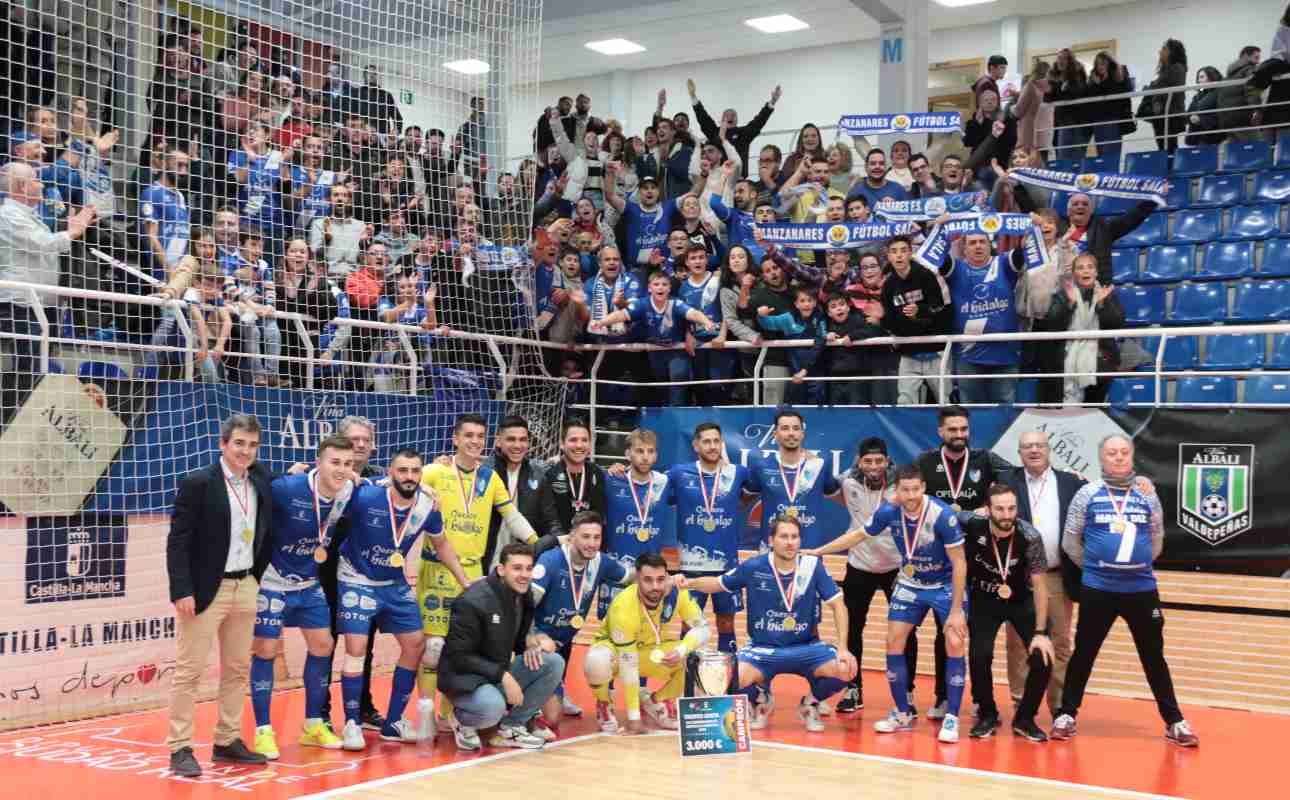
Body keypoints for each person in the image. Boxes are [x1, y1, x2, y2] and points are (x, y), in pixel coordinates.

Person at [1052, 435, 1198, 747]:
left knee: (1153, 656)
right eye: (1111, 453)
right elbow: (1070, 542)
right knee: (1084, 654)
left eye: (1123, 452)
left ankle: (1175, 721)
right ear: (1101, 458)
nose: (1118, 458)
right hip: (1098, 589)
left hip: (1141, 589)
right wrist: (1095, 565)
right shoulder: (1087, 493)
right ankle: (1067, 714)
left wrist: (1137, 564)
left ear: (1132, 456)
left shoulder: (1147, 494)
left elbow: (1157, 540)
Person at [334, 450, 470, 751]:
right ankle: (352, 723)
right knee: (356, 649)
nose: (409, 476)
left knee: (416, 643)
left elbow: (442, 544)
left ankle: (394, 722)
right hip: (357, 577)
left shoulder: (427, 505)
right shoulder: (367, 495)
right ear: (390, 472)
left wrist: (465, 581)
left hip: (393, 582)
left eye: (415, 471)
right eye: (403, 470)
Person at [417, 413, 541, 736]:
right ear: (455, 438)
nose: (474, 441)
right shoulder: (434, 471)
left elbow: (512, 517)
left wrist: (540, 545)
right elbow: (399, 484)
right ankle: (428, 714)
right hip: (435, 569)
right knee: (432, 648)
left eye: (480, 435)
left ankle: (453, 714)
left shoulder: (490, 478)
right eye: (468, 435)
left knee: (463, 646)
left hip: (473, 573)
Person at [165, 414, 273, 777]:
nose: (245, 451)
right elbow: (178, 541)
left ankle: (226, 740)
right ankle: (180, 747)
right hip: (205, 590)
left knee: (238, 669)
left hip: (246, 586)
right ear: (223, 444)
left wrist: (255, 578)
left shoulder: (261, 479)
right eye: (239, 443)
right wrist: (182, 590)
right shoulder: (198, 483)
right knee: (189, 671)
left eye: (252, 445)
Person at [678, 515, 857, 732]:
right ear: (771, 540)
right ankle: (761, 698)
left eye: (794, 537)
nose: (790, 542)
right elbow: (717, 583)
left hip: (806, 648)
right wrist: (688, 582)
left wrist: (844, 648)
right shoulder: (754, 566)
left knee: (847, 668)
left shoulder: (812, 566)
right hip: (763, 650)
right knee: (728, 677)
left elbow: (839, 605)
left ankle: (810, 703)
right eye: (783, 537)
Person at [250, 436, 355, 758]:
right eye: (334, 462)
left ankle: (313, 725)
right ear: (319, 462)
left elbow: (388, 489)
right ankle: (263, 731)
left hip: (309, 583)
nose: (341, 470)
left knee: (323, 645)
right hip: (272, 582)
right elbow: (253, 491)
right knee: (266, 650)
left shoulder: (349, 489)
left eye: (347, 464)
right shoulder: (289, 488)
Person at [805, 438, 919, 714]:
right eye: (868, 461)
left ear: (888, 460)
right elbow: (825, 486)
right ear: (859, 461)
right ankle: (853, 689)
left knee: (906, 631)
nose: (874, 466)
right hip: (859, 565)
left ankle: (907, 692)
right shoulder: (848, 481)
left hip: (897, 567)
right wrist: (809, 460)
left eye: (879, 460)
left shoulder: (900, 484)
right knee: (853, 629)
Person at [863, 464, 969, 743]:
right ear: (896, 490)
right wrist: (820, 550)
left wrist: (957, 611)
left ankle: (952, 717)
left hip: (945, 584)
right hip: (911, 583)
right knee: (893, 641)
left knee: (954, 641)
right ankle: (902, 712)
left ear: (923, 488)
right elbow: (860, 534)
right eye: (905, 490)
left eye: (916, 489)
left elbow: (960, 563)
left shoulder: (942, 516)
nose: (911, 495)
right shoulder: (889, 511)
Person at [438, 542, 564, 750]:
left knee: (552, 662)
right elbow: (459, 656)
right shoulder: (473, 601)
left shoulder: (524, 594)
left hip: (495, 672)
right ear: (501, 570)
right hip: (463, 679)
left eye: (528, 568)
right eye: (517, 568)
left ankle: (511, 727)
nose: (524, 574)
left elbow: (519, 639)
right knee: (491, 707)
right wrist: (503, 676)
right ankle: (462, 720)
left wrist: (533, 643)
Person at [958, 484, 1055, 741]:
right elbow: (946, 512)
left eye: (1011, 508)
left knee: (1043, 657)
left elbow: (1041, 587)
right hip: (983, 599)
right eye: (999, 509)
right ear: (988, 509)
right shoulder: (972, 523)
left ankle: (1025, 718)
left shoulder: (1030, 536)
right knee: (979, 656)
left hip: (1020, 599)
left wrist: (1041, 632)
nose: (1006, 514)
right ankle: (987, 713)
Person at [1001, 431, 1085, 715]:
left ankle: (1060, 708)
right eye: (1027, 446)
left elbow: (1106, 489)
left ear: (1049, 450)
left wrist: (1141, 481)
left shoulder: (1072, 482)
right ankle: (1021, 707)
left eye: (1039, 445)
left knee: (1060, 643)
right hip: (1019, 578)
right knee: (1017, 644)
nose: (1033, 450)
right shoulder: (1006, 482)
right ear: (1020, 452)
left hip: (1057, 575)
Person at [0, 161, 96, 402]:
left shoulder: (28, 216)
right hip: (21, 306)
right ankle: (16, 423)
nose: (41, 183)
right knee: (30, 369)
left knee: (39, 367)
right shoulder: (7, 215)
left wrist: (71, 227)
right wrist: (73, 231)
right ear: (21, 186)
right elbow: (42, 243)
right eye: (35, 179)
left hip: (42, 305)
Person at [585, 552, 711, 734]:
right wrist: (633, 719)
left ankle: (655, 701)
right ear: (637, 579)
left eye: (661, 579)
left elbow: (704, 629)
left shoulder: (678, 593)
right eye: (648, 580)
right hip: (615, 654)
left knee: (699, 659)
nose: (655, 587)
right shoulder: (624, 606)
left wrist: (682, 650)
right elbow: (629, 665)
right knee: (596, 661)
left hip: (649, 651)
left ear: (667, 577)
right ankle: (604, 704)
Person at [531, 511, 633, 728]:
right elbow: (522, 606)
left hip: (562, 643)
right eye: (585, 536)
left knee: (554, 715)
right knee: (551, 719)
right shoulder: (550, 561)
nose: (592, 543)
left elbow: (630, 576)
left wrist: (667, 579)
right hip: (536, 643)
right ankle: (518, 703)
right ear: (571, 537)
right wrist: (534, 636)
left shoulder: (600, 562)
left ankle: (549, 690)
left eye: (597, 537)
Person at [663, 423, 753, 660]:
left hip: (727, 567)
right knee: (690, 626)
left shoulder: (737, 473)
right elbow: (647, 482)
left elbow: (757, 488)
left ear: (722, 444)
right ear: (696, 445)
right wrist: (619, 468)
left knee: (726, 623)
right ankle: (686, 683)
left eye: (716, 441)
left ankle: (729, 681)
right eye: (706, 441)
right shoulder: (679, 473)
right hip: (691, 568)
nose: (712, 446)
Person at [938, 229, 1022, 404]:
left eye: (982, 242)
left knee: (1005, 412)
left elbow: (1021, 253)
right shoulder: (956, 269)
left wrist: (1031, 230)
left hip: (1005, 355)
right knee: (970, 412)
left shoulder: (1004, 263)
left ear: (990, 245)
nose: (978, 246)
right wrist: (939, 231)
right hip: (968, 357)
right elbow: (938, 257)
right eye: (972, 242)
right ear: (964, 248)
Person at [744, 409, 842, 550]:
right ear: (775, 435)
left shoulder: (819, 465)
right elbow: (740, 501)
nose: (791, 433)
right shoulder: (760, 466)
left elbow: (842, 497)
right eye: (785, 428)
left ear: (802, 434)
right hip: (772, 550)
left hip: (809, 550)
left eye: (796, 428)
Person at [879, 236, 953, 405]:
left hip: (936, 350)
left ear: (910, 253)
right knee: (904, 401)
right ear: (888, 256)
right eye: (894, 251)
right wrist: (881, 318)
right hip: (909, 353)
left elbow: (941, 308)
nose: (899, 256)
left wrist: (919, 311)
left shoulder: (927, 275)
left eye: (903, 251)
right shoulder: (888, 285)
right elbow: (891, 322)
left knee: (944, 400)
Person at [1047, 252, 1124, 404]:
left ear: (1096, 272)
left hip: (1100, 361)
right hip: (1066, 359)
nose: (1086, 271)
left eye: (1090, 267)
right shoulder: (1062, 295)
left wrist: (1102, 304)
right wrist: (1069, 304)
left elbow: (1116, 324)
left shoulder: (1106, 294)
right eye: (1080, 268)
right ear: (1074, 274)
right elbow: (1053, 325)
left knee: (1095, 408)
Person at [1059, 191, 1158, 287]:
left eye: (1085, 204)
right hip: (1065, 287)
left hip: (1097, 289)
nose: (1080, 207)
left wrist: (1155, 197)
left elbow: (1131, 219)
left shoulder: (1104, 228)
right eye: (1075, 204)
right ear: (1068, 211)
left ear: (1091, 211)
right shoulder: (1057, 229)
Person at [686, 78, 781, 177]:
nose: (730, 117)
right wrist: (693, 97)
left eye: (733, 115)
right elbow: (703, 118)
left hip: (738, 179)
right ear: (722, 119)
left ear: (737, 119)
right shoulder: (715, 132)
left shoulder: (743, 133)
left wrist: (772, 102)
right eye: (727, 115)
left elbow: (759, 121)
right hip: (717, 177)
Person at [538, 418, 609, 536]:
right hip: (557, 545)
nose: (579, 445)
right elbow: (547, 519)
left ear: (590, 444)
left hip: (588, 545)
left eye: (584, 440)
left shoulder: (597, 474)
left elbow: (600, 516)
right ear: (561, 444)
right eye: (573, 440)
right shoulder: (549, 474)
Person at [1142, 39, 1188, 155]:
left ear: (1172, 52)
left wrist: (1152, 89)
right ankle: (1168, 170)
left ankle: (1170, 171)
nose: (1160, 52)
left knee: (1169, 148)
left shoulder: (1177, 68)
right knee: (1164, 147)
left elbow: (1173, 89)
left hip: (1170, 114)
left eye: (1164, 49)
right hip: (1161, 115)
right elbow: (1159, 86)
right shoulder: (1166, 70)